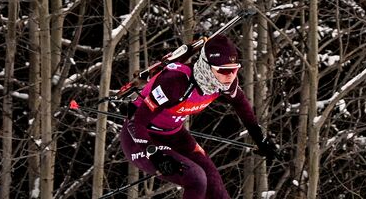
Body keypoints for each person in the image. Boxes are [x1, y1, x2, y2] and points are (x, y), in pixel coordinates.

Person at [118, 33, 279, 199]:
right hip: (139, 137)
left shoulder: (224, 84)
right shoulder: (175, 82)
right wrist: (155, 155)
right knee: (196, 178)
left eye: (234, 69)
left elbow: (241, 106)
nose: (230, 76)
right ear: (206, 66)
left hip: (174, 134)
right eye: (224, 70)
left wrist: (261, 139)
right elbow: (137, 122)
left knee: (214, 183)